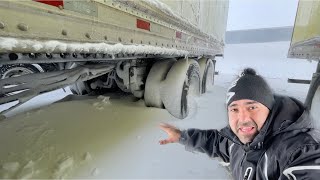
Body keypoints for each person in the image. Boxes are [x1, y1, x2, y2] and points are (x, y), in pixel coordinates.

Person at [159, 68, 320, 179]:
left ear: (269, 108)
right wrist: (181, 136)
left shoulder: (301, 151)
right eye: (234, 109)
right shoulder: (236, 141)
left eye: (252, 107)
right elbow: (215, 142)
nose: (243, 119)